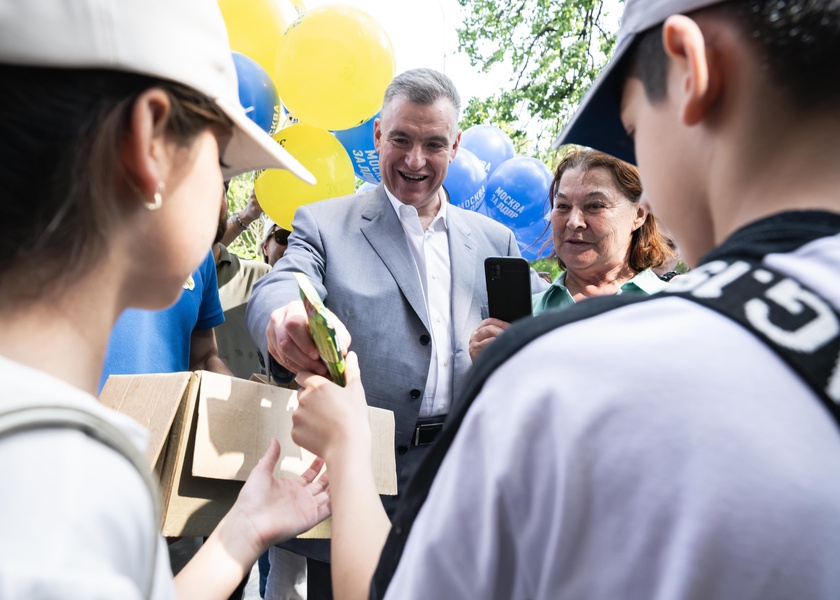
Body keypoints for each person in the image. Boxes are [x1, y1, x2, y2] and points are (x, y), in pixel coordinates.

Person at [291, 0, 840, 598]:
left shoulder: (554, 375)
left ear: (690, 72)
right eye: (562, 205)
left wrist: (346, 447)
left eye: (630, 125)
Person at [0, 1, 330, 598]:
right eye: (223, 160)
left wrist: (243, 531)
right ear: (150, 143)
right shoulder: (64, 481)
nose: (223, 192)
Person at [246, 67, 524, 599]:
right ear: (377, 134)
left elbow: (539, 325)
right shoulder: (324, 223)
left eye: (434, 144)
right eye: (401, 139)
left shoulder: (497, 240)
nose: (415, 161)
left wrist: (515, 344)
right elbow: (283, 284)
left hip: (455, 488)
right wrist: (285, 321)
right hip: (348, 485)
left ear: (456, 145)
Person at [470, 146, 674, 360]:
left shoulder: (675, 307)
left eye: (595, 205)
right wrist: (487, 369)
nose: (574, 221)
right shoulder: (523, 319)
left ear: (639, 214)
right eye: (563, 206)